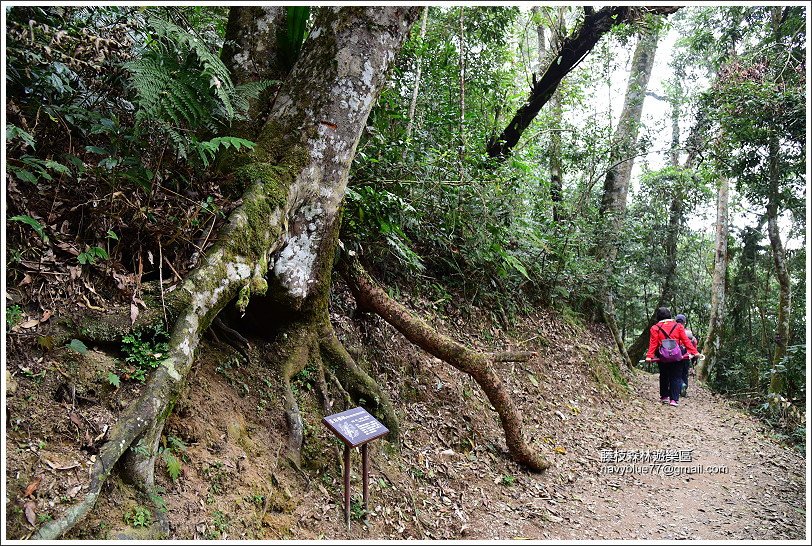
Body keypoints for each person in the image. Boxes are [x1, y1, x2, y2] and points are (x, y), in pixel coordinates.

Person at [646, 307, 701, 407]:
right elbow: (686, 341)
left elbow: (653, 343)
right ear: (670, 316)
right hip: (677, 354)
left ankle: (664, 397)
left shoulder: (655, 328)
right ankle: (674, 400)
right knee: (675, 376)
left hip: (662, 355)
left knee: (664, 375)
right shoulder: (678, 326)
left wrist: (649, 356)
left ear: (658, 317)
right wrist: (695, 352)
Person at [675, 314, 698, 397]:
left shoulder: (673, 330)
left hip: (676, 356)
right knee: (684, 372)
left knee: (676, 373)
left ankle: (680, 385)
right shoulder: (689, 333)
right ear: (684, 322)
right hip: (687, 356)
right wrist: (694, 359)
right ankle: (684, 387)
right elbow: (694, 344)